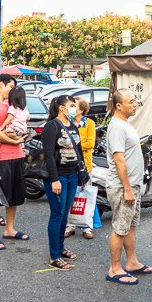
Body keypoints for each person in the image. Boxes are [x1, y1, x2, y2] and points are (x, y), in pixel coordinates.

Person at [106, 89, 152, 285]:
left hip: (132, 185)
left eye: (136, 101)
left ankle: (132, 262)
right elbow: (119, 160)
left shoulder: (125, 124)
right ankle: (114, 269)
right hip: (121, 186)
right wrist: (126, 188)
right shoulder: (117, 127)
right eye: (131, 101)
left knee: (131, 226)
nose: (135, 104)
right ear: (118, 106)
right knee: (120, 227)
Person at [0, 74, 29, 250]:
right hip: (0, 157)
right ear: (1, 85)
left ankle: (9, 229)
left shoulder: (13, 105)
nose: (12, 91)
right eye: (10, 87)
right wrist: (14, 141)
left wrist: (19, 139)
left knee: (14, 196)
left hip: (18, 155)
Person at [41, 94, 84, 270]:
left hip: (72, 175)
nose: (74, 108)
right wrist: (54, 179)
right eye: (71, 105)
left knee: (65, 215)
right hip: (58, 178)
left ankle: (60, 248)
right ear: (62, 108)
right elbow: (49, 155)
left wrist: (83, 175)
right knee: (57, 214)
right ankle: (54, 256)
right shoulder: (52, 126)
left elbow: (79, 151)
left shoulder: (73, 126)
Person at [65, 98, 97, 240]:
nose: (72, 108)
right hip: (69, 164)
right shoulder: (67, 122)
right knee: (70, 196)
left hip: (85, 165)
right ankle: (69, 226)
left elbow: (90, 143)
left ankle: (87, 227)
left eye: (74, 106)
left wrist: (72, 144)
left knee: (87, 196)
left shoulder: (89, 123)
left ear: (81, 110)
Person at [0, 86, 30, 160]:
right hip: (22, 132)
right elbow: (28, 118)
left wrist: (2, 127)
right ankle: (22, 146)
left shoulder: (12, 108)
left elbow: (9, 118)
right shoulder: (25, 109)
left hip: (14, 130)